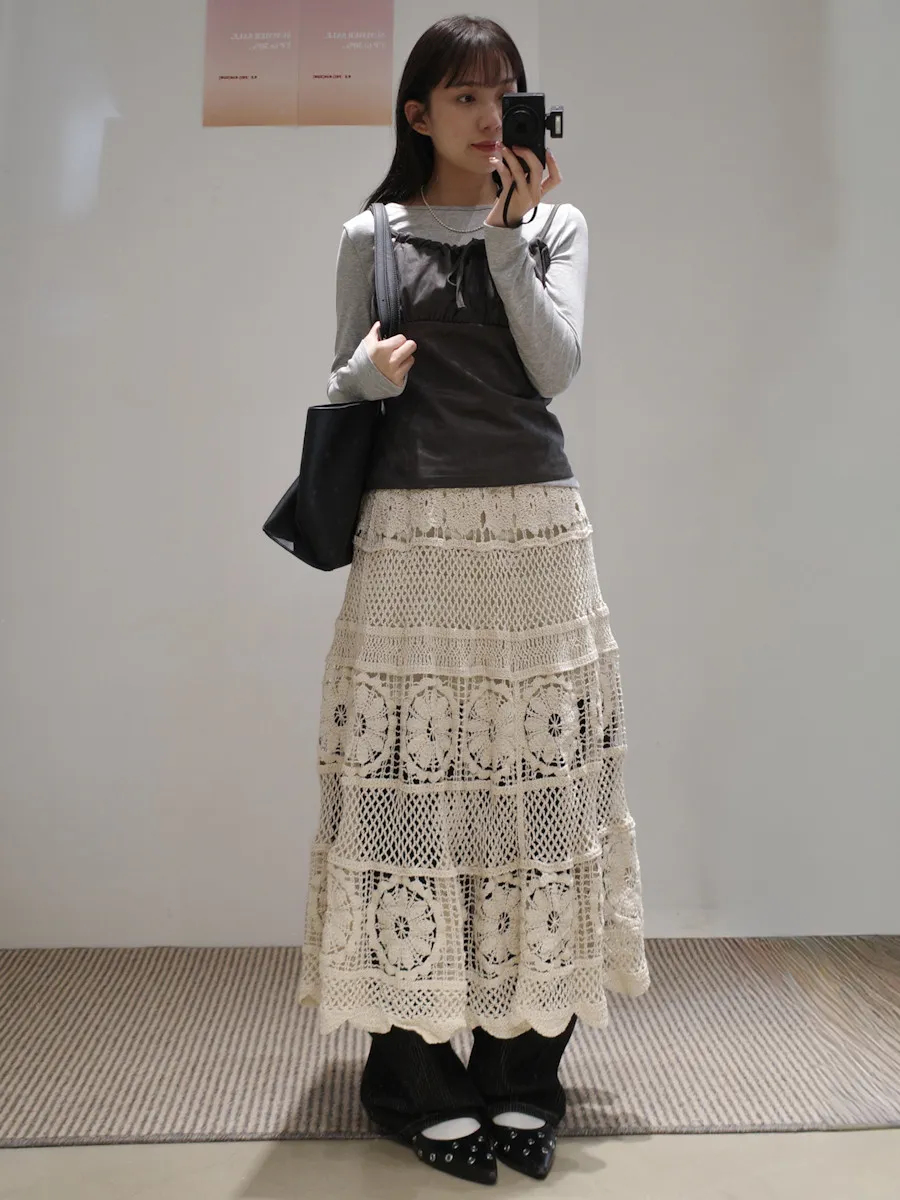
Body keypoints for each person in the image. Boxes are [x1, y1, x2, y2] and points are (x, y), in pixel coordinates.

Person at [297, 13, 650, 1186]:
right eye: (465, 96)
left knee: (541, 806)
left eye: (505, 94)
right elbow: (343, 380)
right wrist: (364, 373)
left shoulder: (555, 224)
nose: (491, 116)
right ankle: (413, 1078)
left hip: (536, 538)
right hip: (413, 538)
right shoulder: (371, 234)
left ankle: (520, 1074)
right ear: (418, 113)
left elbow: (555, 369)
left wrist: (506, 242)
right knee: (410, 796)